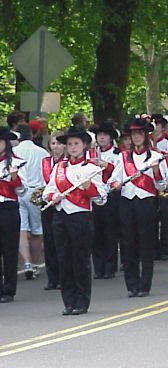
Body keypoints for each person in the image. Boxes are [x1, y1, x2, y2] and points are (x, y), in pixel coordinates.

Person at [43, 127, 108, 315]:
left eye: (76, 144)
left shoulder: (92, 168)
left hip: (80, 217)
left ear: (84, 145)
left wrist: (89, 188)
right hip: (60, 217)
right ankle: (68, 301)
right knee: (64, 259)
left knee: (80, 260)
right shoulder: (58, 167)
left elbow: (102, 198)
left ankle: (82, 301)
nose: (72, 147)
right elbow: (48, 190)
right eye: (70, 144)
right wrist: (53, 196)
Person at [109, 119, 165, 297]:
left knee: (146, 243)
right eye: (134, 135)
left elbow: (161, 186)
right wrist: (115, 183)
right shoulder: (123, 157)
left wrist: (156, 171)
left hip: (146, 203)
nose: (137, 137)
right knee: (128, 243)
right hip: (127, 202)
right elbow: (112, 179)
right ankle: (131, 283)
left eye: (140, 134)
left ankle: (144, 284)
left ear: (146, 136)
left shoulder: (156, 157)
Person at [14, 124, 50, 280]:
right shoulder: (41, 152)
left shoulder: (14, 152)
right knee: (37, 231)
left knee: (22, 229)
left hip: (18, 190)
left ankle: (27, 262)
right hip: (36, 191)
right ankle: (34, 264)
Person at [91, 122, 121, 279]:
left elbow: (119, 173)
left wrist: (106, 166)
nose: (101, 138)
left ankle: (110, 266)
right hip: (94, 196)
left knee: (110, 231)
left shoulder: (117, 154)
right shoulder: (91, 153)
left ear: (110, 138)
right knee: (96, 232)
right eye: (99, 135)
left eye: (104, 135)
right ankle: (98, 267)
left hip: (110, 196)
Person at [0, 127, 27, 303]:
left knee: (9, 250)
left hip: (8, 208)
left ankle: (9, 289)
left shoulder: (17, 162)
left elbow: (23, 191)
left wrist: (14, 177)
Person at [40, 131, 66, 290]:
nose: (55, 147)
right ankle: (52, 278)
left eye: (58, 143)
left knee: (62, 242)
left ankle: (64, 276)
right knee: (49, 240)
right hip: (47, 202)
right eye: (53, 143)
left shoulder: (67, 162)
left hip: (63, 203)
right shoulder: (45, 162)